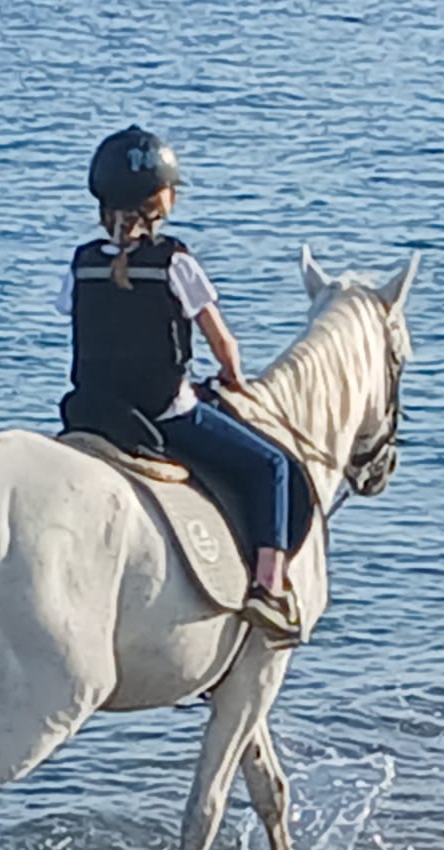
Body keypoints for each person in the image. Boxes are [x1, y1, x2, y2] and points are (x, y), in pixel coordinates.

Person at [56, 125, 299, 640]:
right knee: (270, 466)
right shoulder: (175, 262)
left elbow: (82, 320)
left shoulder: (81, 264)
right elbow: (222, 342)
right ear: (159, 200)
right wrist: (233, 378)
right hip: (163, 411)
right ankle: (269, 589)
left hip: (94, 409)